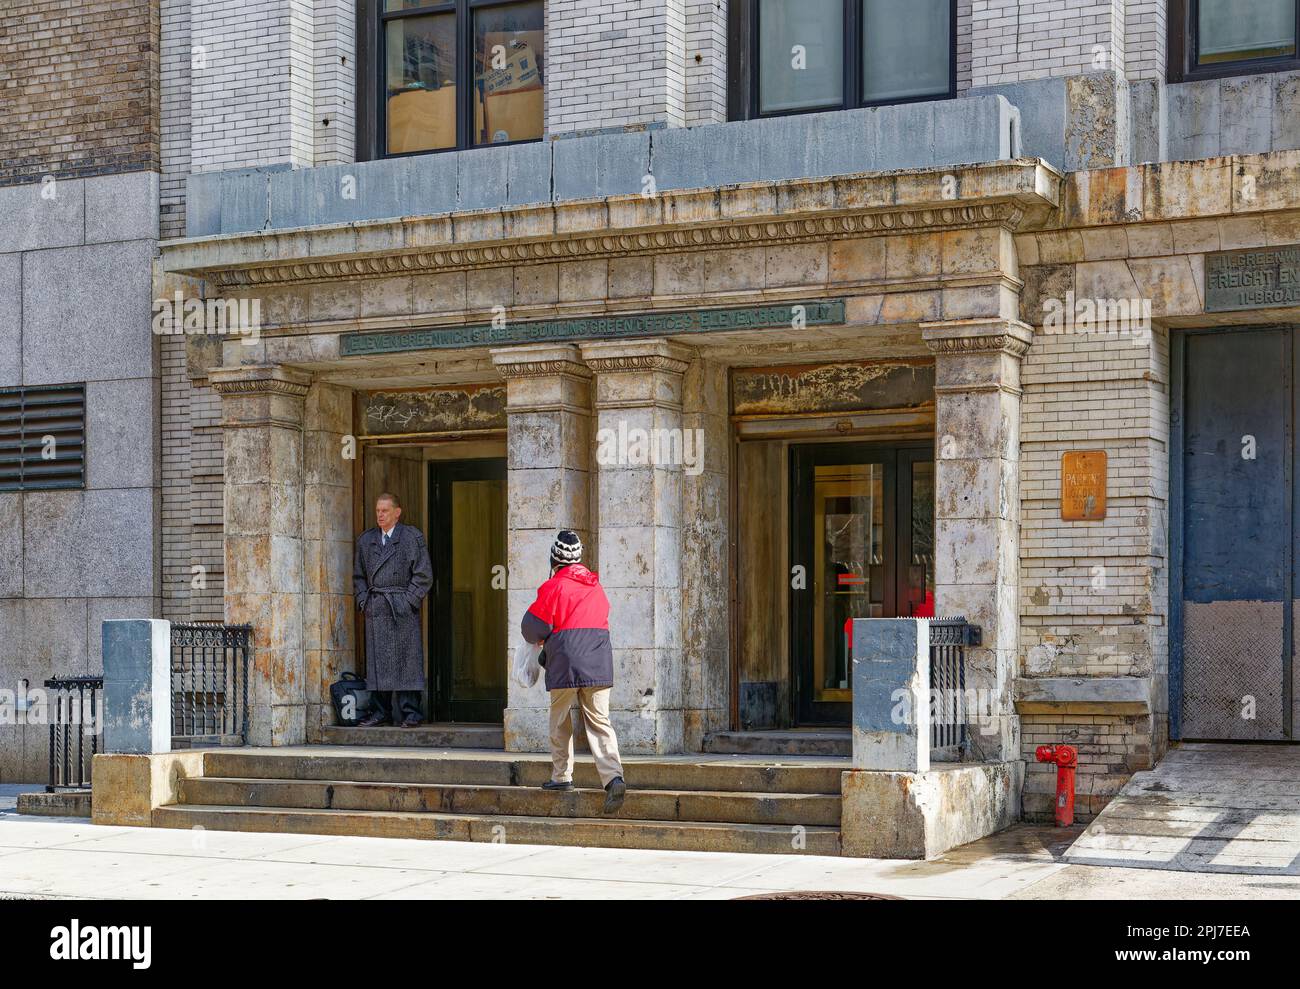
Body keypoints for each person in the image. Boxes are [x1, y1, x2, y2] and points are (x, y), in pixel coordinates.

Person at [521, 530, 626, 813]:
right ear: (579, 559)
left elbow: (532, 629)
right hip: (598, 661)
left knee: (560, 719)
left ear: (555, 559)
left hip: (565, 661)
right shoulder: (596, 587)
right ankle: (613, 777)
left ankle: (562, 776)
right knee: (600, 721)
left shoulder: (553, 587)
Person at [353, 493, 433, 727]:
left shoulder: (411, 537)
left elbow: (423, 575)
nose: (380, 515)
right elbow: (358, 576)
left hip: (401, 608)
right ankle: (380, 712)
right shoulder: (366, 541)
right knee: (378, 663)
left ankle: (411, 712)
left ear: (397, 512)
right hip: (376, 607)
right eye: (378, 510)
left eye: (385, 511)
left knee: (406, 661)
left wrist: (409, 601)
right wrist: (363, 601)